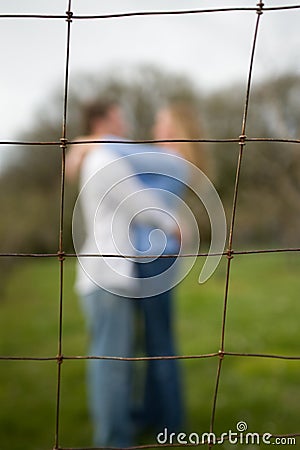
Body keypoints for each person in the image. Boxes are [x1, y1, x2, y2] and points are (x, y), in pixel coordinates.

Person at [66, 99, 181, 448]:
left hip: (108, 275)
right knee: (112, 365)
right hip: (108, 276)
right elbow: (142, 204)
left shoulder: (100, 157)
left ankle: (119, 433)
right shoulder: (105, 160)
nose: (124, 121)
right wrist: (173, 224)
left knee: (114, 361)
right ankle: (114, 439)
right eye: (118, 116)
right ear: (102, 122)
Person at [133, 102, 206, 437]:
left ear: (174, 126)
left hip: (157, 258)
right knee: (152, 339)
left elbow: (118, 157)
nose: (153, 129)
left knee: (160, 341)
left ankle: (171, 423)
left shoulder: (171, 160)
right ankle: (152, 412)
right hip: (155, 255)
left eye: (159, 122)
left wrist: (93, 141)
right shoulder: (165, 159)